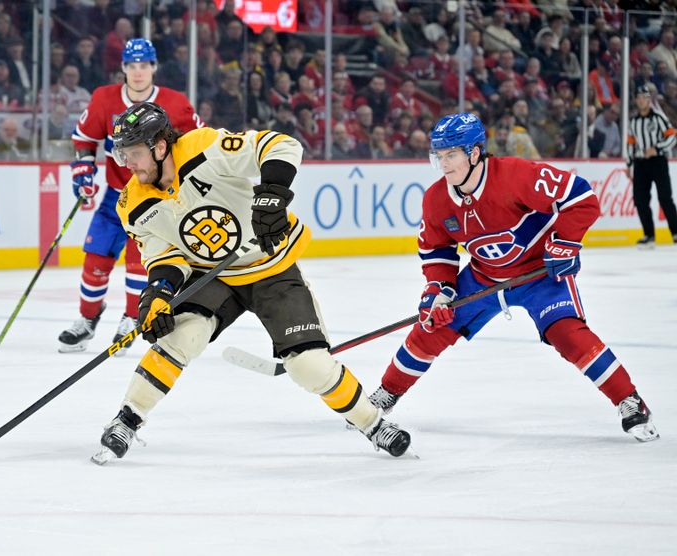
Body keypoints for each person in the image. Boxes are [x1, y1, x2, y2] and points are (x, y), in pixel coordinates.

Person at [89, 101, 412, 465]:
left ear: (160, 146)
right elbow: (163, 258)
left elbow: (281, 146)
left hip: (271, 265)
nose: (126, 164)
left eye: (132, 154)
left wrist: (272, 192)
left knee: (309, 366)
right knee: (179, 337)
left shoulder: (204, 147)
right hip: (212, 274)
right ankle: (127, 419)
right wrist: (158, 295)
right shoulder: (131, 204)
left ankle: (372, 423)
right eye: (121, 155)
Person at [367, 112, 659, 444]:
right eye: (440, 156)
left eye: (451, 154)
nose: (444, 163)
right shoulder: (436, 198)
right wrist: (439, 291)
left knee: (567, 333)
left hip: (539, 274)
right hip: (483, 277)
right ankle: (386, 394)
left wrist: (563, 244)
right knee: (430, 328)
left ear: (474, 153)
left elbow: (580, 198)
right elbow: (437, 251)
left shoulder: (515, 175)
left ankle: (628, 400)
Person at [61, 38, 202, 355]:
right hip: (115, 199)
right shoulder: (104, 99)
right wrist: (83, 168)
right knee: (95, 260)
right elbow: (85, 139)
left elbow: (197, 143)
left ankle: (130, 317)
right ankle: (87, 319)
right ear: (123, 68)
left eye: (144, 65)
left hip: (154, 201)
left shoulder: (176, 103)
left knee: (141, 264)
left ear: (154, 68)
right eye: (132, 66)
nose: (138, 73)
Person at [625, 85, 677, 248]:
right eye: (639, 98)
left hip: (658, 162)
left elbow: (672, 136)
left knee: (665, 197)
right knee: (640, 199)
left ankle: (675, 232)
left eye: (644, 98)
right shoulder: (633, 121)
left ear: (649, 100)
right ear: (636, 101)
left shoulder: (658, 118)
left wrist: (657, 148)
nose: (641, 101)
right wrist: (629, 164)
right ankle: (649, 235)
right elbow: (630, 143)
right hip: (640, 164)